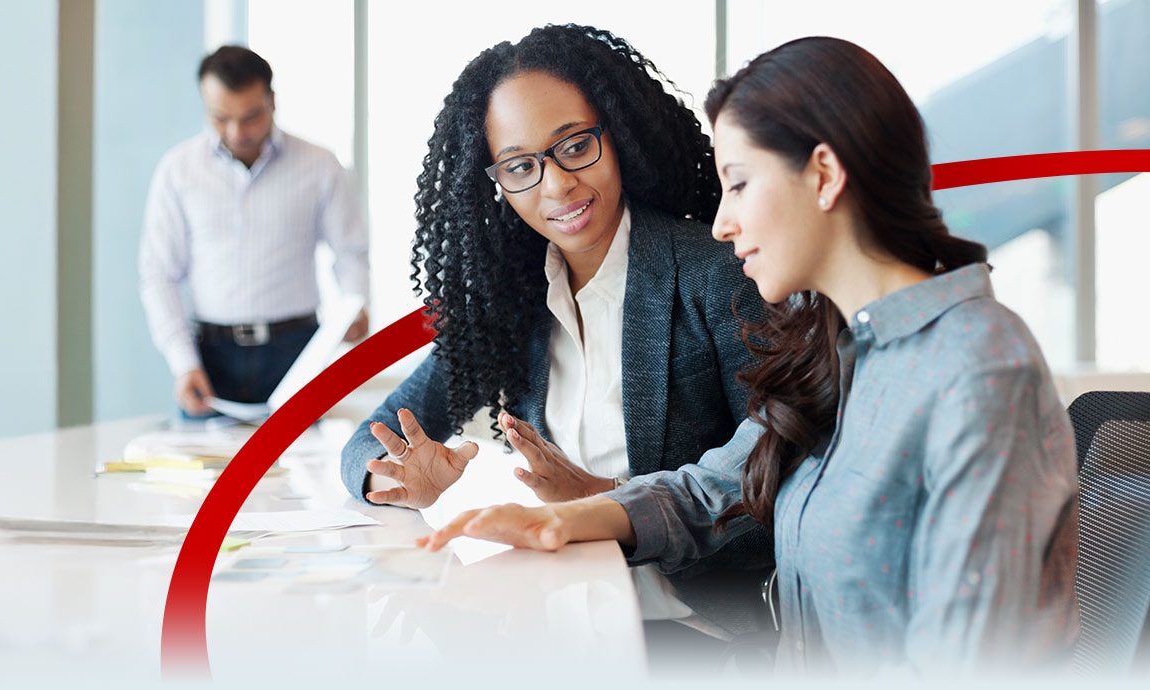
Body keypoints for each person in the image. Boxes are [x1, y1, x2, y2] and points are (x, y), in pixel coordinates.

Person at [418, 36, 1079, 677]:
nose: (721, 223)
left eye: (738, 184)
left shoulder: (977, 370)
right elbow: (713, 490)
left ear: (823, 175)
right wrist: (555, 523)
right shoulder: (841, 349)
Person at [339, 24, 773, 641]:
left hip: (691, 630)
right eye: (521, 166)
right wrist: (400, 480)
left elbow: (777, 489)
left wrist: (601, 500)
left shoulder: (715, 274)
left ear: (617, 134)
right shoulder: (511, 300)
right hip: (556, 613)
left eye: (574, 146)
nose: (557, 184)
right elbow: (367, 440)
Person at [139, 45, 369, 416]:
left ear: (272, 101)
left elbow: (350, 252)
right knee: (209, 473)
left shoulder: (320, 166)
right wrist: (183, 363)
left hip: (296, 352)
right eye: (220, 118)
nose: (237, 131)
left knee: (304, 468)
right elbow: (159, 275)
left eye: (250, 117)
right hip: (209, 357)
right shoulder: (178, 170)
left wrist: (355, 303)